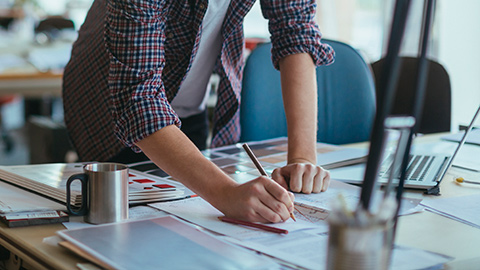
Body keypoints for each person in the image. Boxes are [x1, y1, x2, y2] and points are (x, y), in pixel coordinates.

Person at [63, 0, 335, 223]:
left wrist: (302, 158)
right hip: (108, 110)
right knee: (124, 228)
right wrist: (225, 193)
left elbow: (295, 32)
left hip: (186, 106)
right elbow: (138, 98)